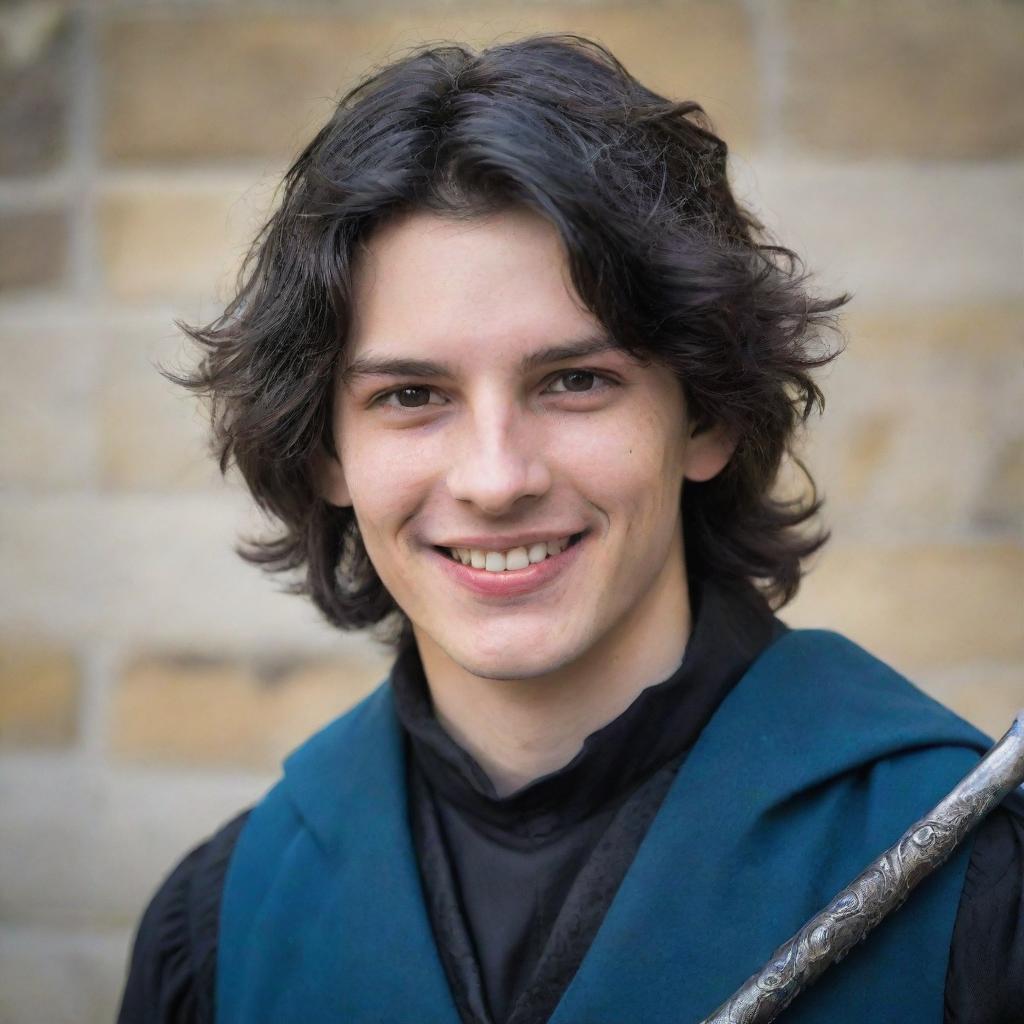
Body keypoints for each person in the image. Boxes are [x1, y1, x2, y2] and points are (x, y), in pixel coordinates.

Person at [117, 35, 1023, 1024]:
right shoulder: (220, 925)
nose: (497, 477)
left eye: (575, 381)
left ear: (704, 416)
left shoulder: (974, 873)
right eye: (412, 394)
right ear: (327, 453)